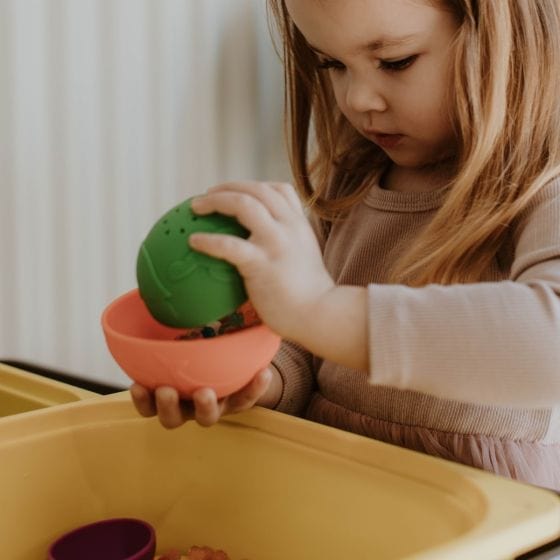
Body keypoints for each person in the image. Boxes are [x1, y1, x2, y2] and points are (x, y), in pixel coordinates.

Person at [131, 0, 560, 491]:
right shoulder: (353, 178)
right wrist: (254, 379)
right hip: (333, 491)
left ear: (507, 31)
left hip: (484, 519)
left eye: (395, 61)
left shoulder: (542, 184)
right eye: (333, 64)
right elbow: (304, 348)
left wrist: (321, 309)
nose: (358, 100)